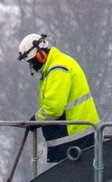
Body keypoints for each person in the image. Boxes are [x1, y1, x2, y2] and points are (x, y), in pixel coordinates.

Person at [17, 33, 99, 164]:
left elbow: (54, 108)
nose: (31, 66)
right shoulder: (57, 65)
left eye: (31, 62)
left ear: (41, 55)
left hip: (75, 137)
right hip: (78, 136)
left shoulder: (58, 69)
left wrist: (34, 120)